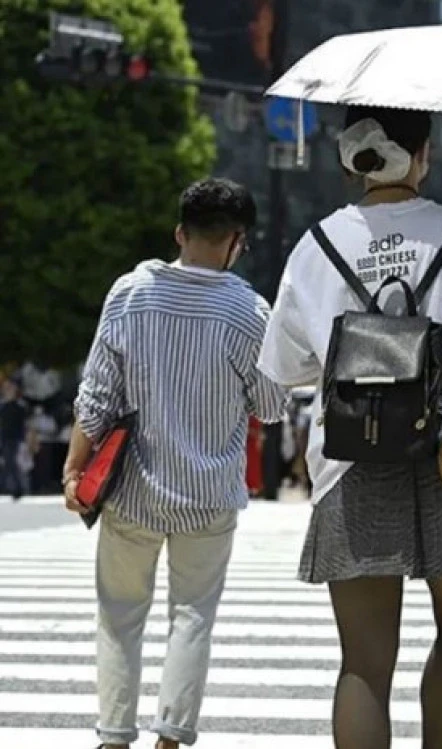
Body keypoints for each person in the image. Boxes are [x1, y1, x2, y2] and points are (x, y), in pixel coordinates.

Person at [256, 105, 442, 749]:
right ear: (424, 154)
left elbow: (284, 366)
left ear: (352, 157)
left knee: (364, 664)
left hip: (350, 456)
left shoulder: (317, 245)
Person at [64, 178, 288, 749]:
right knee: (191, 616)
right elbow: (272, 404)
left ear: (180, 233)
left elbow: (96, 394)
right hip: (209, 494)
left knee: (119, 615)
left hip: (132, 489)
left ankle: (115, 736)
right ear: (236, 241)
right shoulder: (247, 311)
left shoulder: (129, 293)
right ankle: (171, 737)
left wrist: (74, 469)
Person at [0, 379, 28, 500]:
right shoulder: (2, 406)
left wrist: (23, 438)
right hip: (4, 436)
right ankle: (12, 487)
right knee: (8, 462)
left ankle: (16, 488)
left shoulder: (19, 406)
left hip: (15, 437)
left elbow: (23, 424)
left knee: (12, 462)